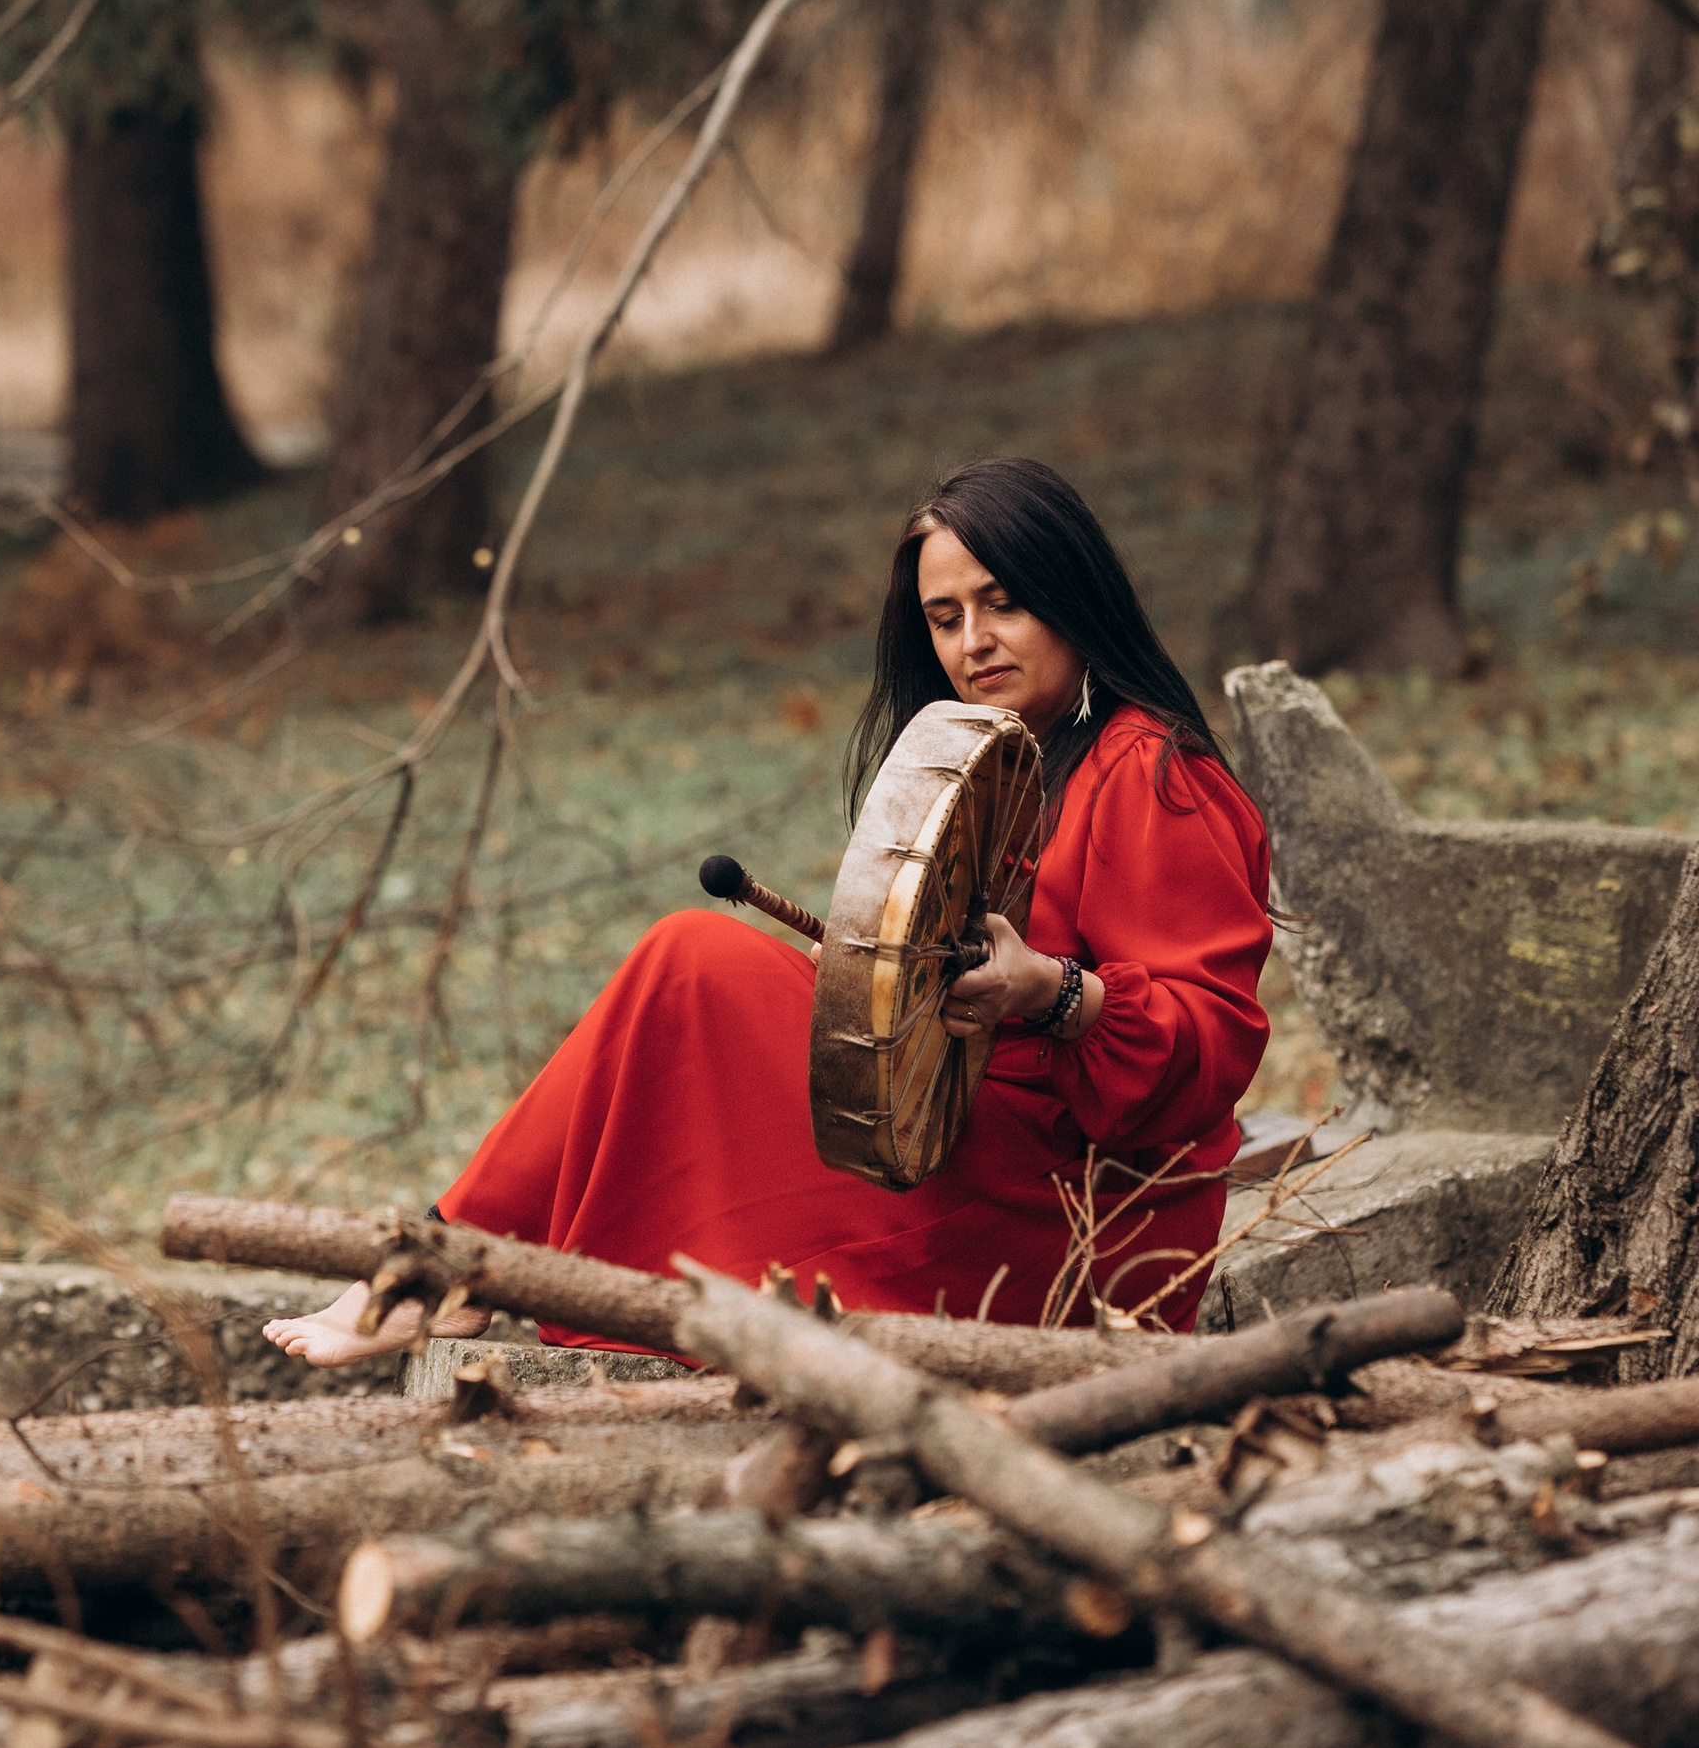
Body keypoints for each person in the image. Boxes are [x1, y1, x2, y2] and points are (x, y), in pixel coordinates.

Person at [263, 454, 1271, 1363]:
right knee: (693, 961)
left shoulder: (1152, 774)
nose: (973, 642)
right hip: (973, 1145)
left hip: (1070, 1230)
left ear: (1071, 596)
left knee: (691, 958)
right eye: (945, 615)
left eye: (1002, 602)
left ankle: (448, 1262)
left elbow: (1212, 1048)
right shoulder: (1011, 757)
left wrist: (1049, 992)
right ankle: (457, 1259)